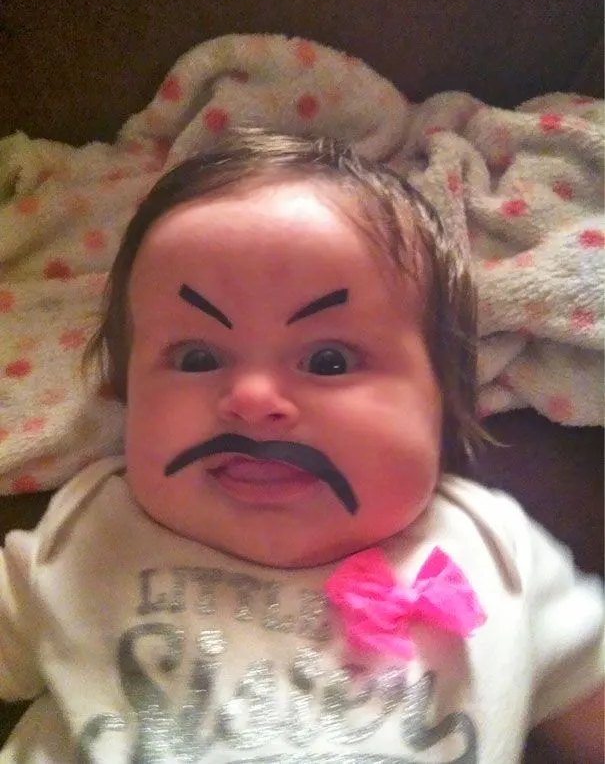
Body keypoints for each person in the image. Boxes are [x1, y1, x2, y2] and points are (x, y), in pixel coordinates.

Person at [0, 129, 602, 763]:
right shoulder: (87, 536)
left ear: (443, 401)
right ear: (126, 393)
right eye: (197, 357)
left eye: (329, 360)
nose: (253, 398)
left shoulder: (494, 550)